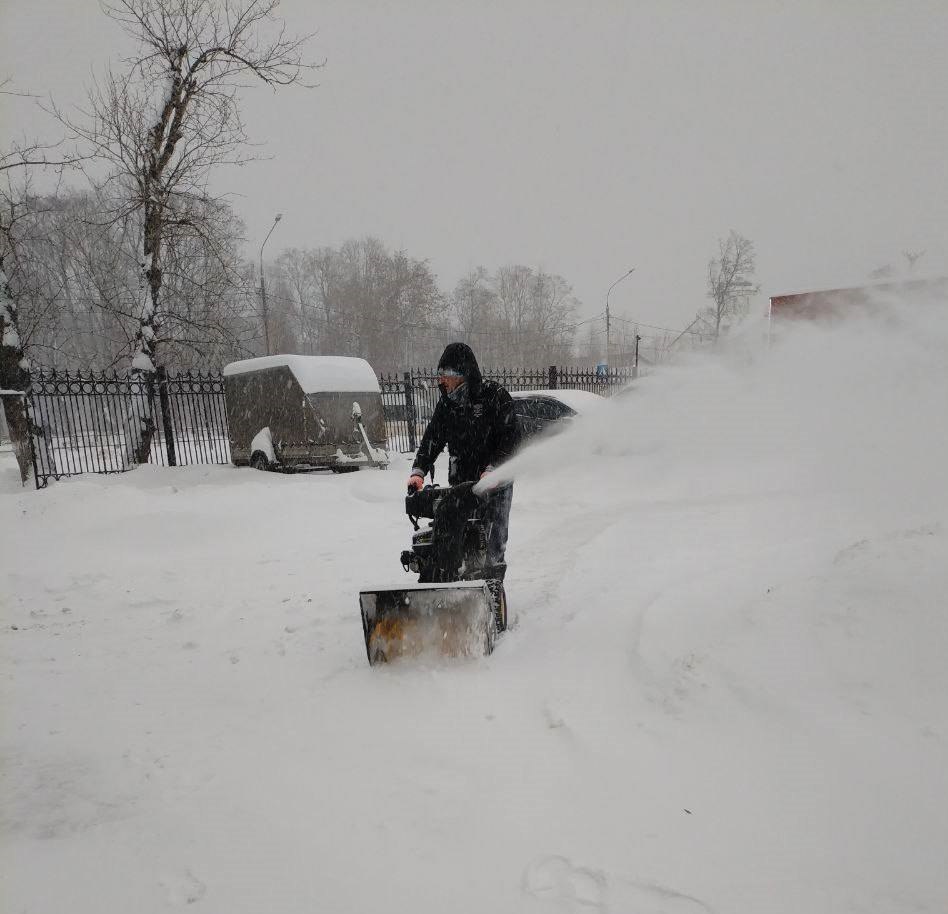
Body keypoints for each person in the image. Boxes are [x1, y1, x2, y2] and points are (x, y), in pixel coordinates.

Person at [407, 342, 519, 577]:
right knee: (457, 538)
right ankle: (455, 585)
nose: (441, 381)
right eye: (440, 375)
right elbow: (432, 438)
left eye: (446, 375)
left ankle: (491, 591)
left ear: (462, 374)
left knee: (491, 544)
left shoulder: (494, 396)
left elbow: (511, 438)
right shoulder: (447, 404)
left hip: (495, 484)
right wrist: (419, 471)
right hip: (462, 484)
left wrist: (493, 469)